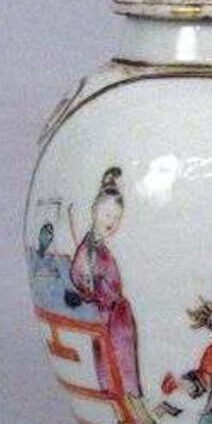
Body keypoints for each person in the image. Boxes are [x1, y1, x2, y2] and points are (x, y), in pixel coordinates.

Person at [70, 167, 143, 410]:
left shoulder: (99, 247)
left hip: (117, 313)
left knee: (123, 359)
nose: (111, 222)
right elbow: (79, 277)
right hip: (106, 314)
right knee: (114, 360)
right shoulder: (89, 250)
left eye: (116, 218)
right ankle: (122, 404)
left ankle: (128, 403)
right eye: (107, 214)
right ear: (94, 211)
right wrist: (89, 288)